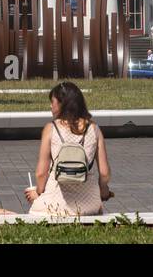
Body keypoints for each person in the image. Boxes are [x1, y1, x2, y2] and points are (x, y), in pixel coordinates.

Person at [24, 81, 113, 216]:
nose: (50, 106)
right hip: (89, 204)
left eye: (52, 102)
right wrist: (103, 190)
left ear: (61, 104)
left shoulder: (51, 128)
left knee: (35, 209)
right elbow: (105, 173)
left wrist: (38, 193)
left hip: (57, 203)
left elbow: (41, 174)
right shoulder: (93, 128)